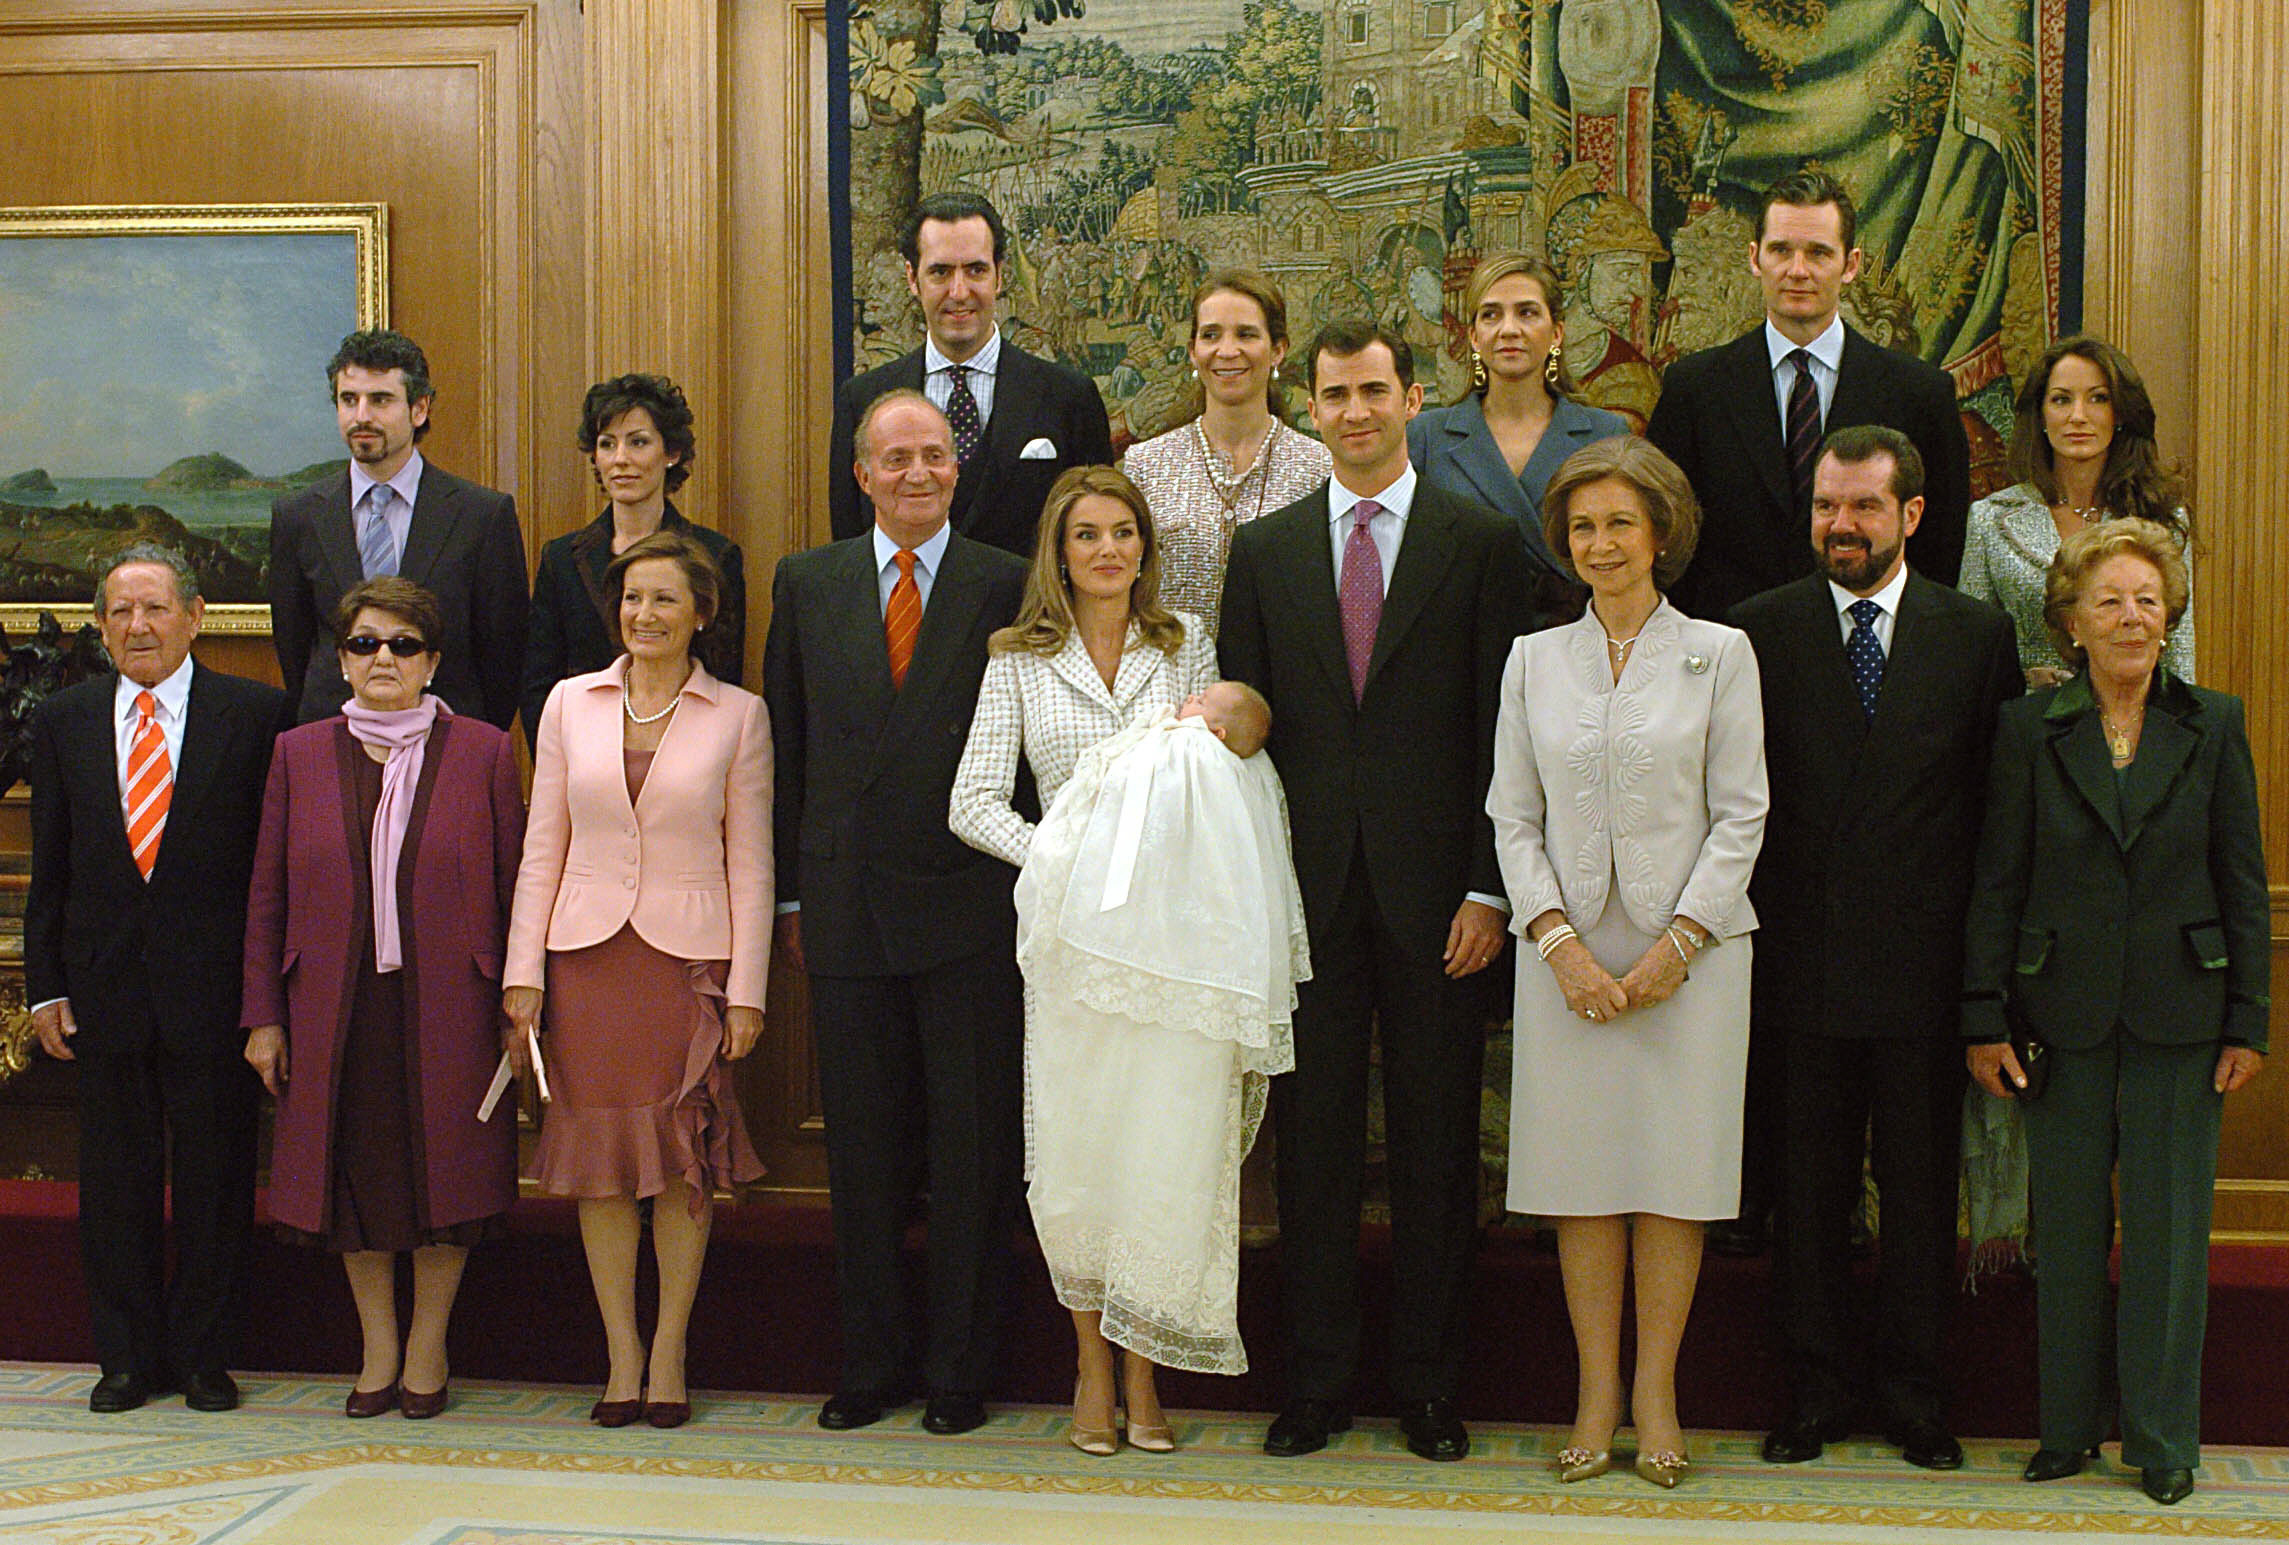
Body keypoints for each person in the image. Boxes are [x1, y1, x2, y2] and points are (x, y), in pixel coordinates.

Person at [1219, 321, 1529, 1462]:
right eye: (1336, 394)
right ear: (1313, 403)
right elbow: (1246, 732)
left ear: (1413, 398)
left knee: (1442, 1154)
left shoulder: (1479, 542)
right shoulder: (1266, 552)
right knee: (1313, 1154)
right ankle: (1317, 1384)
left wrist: (1491, 888)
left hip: (1443, 903)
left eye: (1374, 392)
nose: (1355, 412)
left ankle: (1432, 1390)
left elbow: (1508, 736)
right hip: (1305, 903)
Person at [1645, 169, 1970, 1257]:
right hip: (1737, 735)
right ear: (1754, 257)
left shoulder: (1913, 392)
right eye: (1779, 249)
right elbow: (1671, 565)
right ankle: (1757, 1247)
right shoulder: (1695, 389)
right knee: (1768, 1034)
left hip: (1874, 748)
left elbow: (1946, 569)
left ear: (1851, 264)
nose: (1796, 269)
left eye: (1817, 252)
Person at [949, 468, 1263, 1454]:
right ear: (1061, 551)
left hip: (1172, 944)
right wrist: (1066, 859)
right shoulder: (1017, 660)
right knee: (1082, 1157)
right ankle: (1090, 1365)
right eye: (1088, 535)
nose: (1109, 550)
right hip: (1073, 946)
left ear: (1145, 547)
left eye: (1124, 532)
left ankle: (1146, 1370)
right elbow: (973, 803)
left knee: (1161, 1152)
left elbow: (1230, 771)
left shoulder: (1186, 648)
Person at [1730, 426, 2020, 1471]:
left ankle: (1913, 1396)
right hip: (1796, 973)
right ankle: (1813, 1392)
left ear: (1912, 516)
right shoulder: (1755, 634)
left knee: (1916, 1194)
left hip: (1924, 979)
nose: (1839, 527)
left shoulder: (1973, 636)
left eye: (1861, 508)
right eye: (1824, 507)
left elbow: (1996, 821)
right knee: (1805, 1203)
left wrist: (1985, 985)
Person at [1963, 519, 2268, 1508]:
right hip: (2063, 1012)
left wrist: (2249, 1020)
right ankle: (2066, 1432)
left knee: (2171, 1238)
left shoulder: (2214, 724)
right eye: (2110, 601)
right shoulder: (2027, 729)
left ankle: (2163, 1438)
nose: (2131, 616)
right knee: (2066, 1232)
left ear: (2169, 615)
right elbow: (1997, 881)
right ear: (2074, 623)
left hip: (2186, 1012)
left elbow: (2243, 881)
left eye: (2147, 599)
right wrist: (1983, 1015)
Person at [1488, 435, 1766, 1489]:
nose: (1601, 542)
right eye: (1583, 526)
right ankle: (1595, 1390)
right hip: (1567, 960)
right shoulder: (1532, 660)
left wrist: (1678, 946)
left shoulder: (1720, 653)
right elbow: (1512, 817)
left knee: (1672, 1180)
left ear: (1661, 535)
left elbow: (1743, 814)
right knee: (1584, 1182)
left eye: (1620, 523)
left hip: (1690, 959)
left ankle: (1658, 1392)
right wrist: (1555, 942)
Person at [766, 390, 1032, 1436]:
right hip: (843, 908)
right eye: (895, 459)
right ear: (861, 474)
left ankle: (961, 1371)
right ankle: (871, 1365)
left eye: (933, 456)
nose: (916, 473)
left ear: (955, 472)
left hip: (972, 906)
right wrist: (790, 892)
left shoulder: (1008, 583)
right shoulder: (809, 581)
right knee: (864, 1155)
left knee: (971, 1151)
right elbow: (787, 747)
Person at [241, 577, 526, 1420]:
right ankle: (377, 1351)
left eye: (403, 644)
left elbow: (516, 883)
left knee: (443, 1180)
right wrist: (262, 1013)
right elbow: (266, 891)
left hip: (452, 1003)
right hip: (332, 1005)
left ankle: (429, 1349)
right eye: (365, 643)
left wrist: (518, 997)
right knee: (353, 1181)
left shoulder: (481, 750)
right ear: (341, 657)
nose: (383, 659)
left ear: (433, 660)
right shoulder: (299, 751)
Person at [504, 529, 770, 1431]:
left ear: (702, 611)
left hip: (683, 964)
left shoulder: (738, 714)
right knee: (604, 1167)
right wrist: (523, 973)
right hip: (583, 963)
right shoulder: (567, 703)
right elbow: (544, 845)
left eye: (663, 598)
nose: (644, 614)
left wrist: (747, 990)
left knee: (678, 1162)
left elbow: (754, 863)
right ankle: (620, 1354)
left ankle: (671, 1354)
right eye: (630, 599)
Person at [26, 544, 289, 1414]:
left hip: (215, 994)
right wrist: (44, 987)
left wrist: (266, 1000)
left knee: (217, 1179)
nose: (137, 626)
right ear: (102, 627)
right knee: (115, 1182)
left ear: (195, 614)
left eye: (155, 608)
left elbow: (270, 874)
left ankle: (206, 1357)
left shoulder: (255, 716)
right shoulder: (64, 718)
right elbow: (51, 868)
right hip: (104, 994)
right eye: (120, 612)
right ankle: (128, 1359)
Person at [828, 192, 1114, 556]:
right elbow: (850, 548)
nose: (959, 292)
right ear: (912, 278)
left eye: (976, 270)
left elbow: (1091, 535)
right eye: (940, 272)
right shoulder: (862, 400)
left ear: (999, 276)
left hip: (1028, 612)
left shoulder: (1069, 397)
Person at [271, 329, 530, 729]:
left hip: (446, 745)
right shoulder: (298, 516)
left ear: (419, 408)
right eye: (348, 400)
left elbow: (504, 656)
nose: (361, 416)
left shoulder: (482, 516)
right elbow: (294, 647)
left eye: (380, 400)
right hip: (332, 740)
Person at [1408, 252, 1628, 632]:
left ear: (1556, 332)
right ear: (1474, 336)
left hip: (1575, 652)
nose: (1509, 329)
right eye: (1491, 315)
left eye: (1527, 313)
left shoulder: (1605, 434)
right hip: (1461, 650)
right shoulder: (1426, 437)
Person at [1961, 336, 2194, 689]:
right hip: (2025, 726)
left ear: (2120, 414)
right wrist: (2021, 683)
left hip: (2135, 725)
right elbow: (1970, 655)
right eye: (2061, 400)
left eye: (2098, 398)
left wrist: (2176, 735)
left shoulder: (2160, 518)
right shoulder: (1991, 519)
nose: (2078, 416)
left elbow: (2178, 653)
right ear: (2040, 414)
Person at [524, 373, 747, 739]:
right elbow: (538, 685)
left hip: (686, 754)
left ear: (671, 453)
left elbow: (723, 677)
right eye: (607, 444)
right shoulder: (561, 559)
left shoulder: (715, 556)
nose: (621, 459)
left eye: (638, 442)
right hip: (583, 756)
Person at [1121, 271, 1331, 634]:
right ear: (1193, 351)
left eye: (1246, 334)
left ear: (1278, 349)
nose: (1227, 350)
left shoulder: (1320, 468)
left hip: (1280, 681)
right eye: (1211, 335)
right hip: (1172, 678)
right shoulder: (1146, 464)